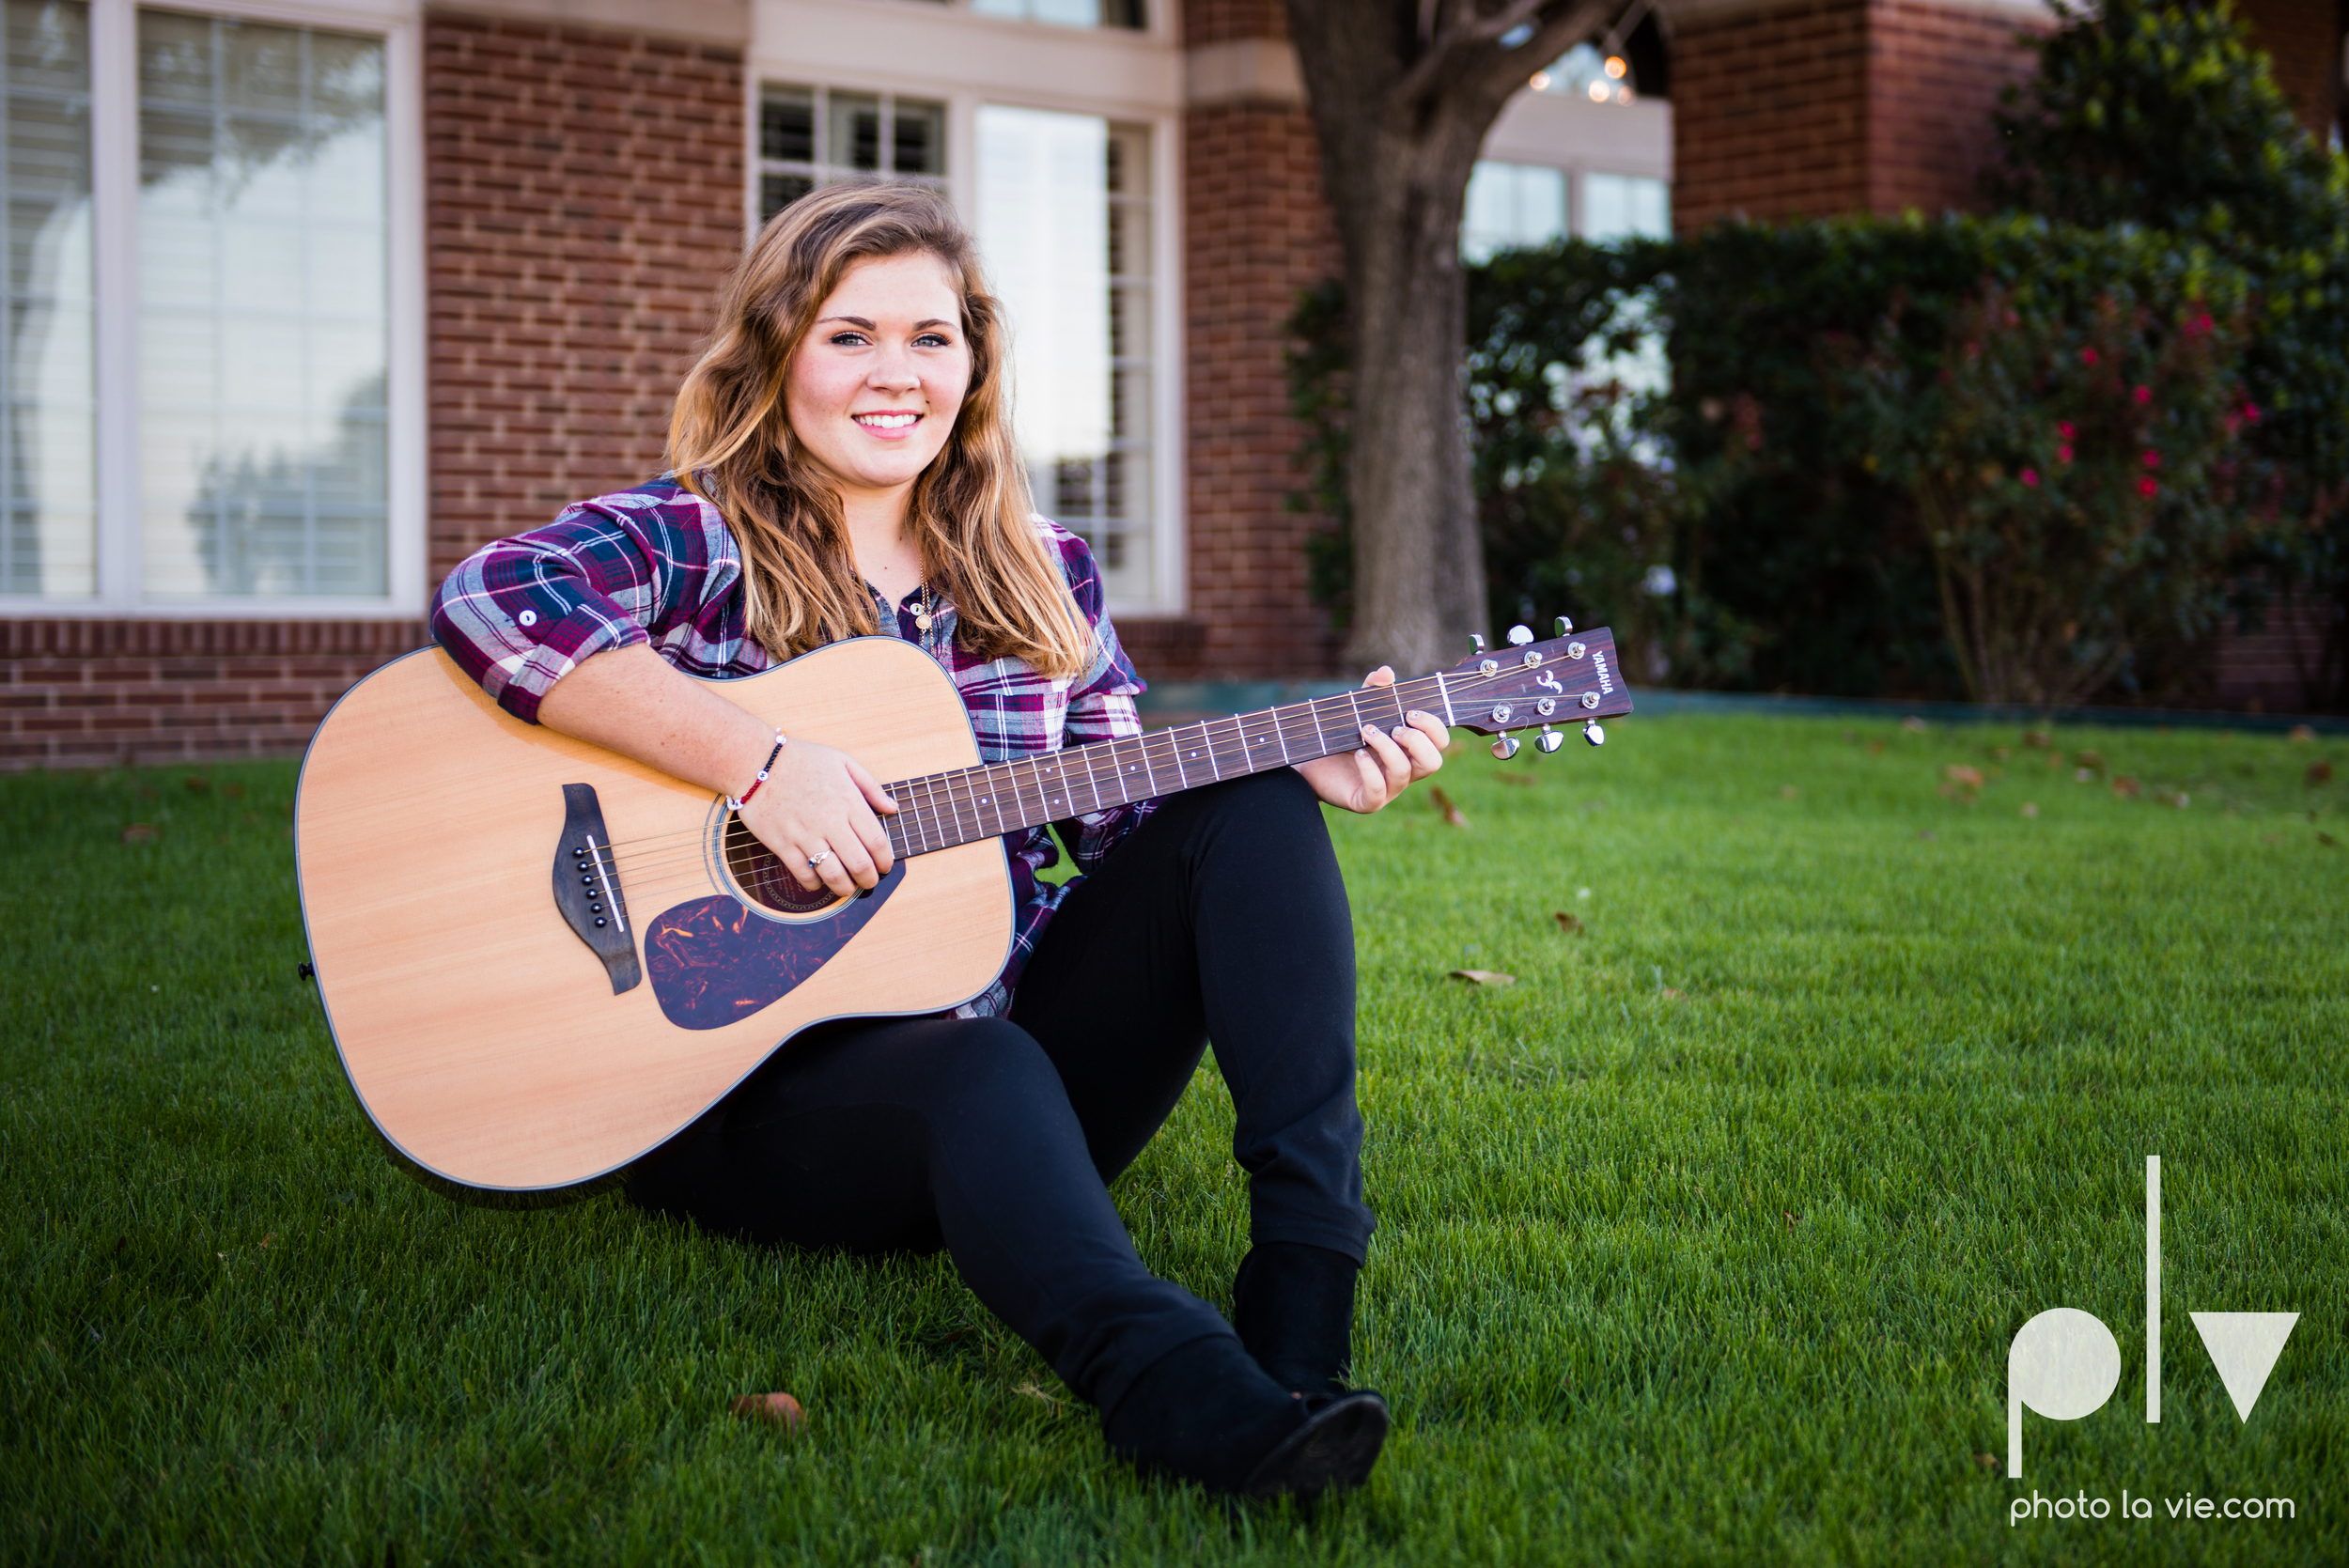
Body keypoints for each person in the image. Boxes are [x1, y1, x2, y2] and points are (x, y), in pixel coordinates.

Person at [428, 182, 1451, 1498]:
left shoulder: (1044, 570)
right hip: (733, 1095)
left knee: (1243, 804)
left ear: (974, 366)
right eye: (849, 335)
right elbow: (492, 598)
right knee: (983, 1071)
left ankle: (1303, 1309)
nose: (894, 373)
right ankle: (1178, 1395)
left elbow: (1128, 812)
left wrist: (1290, 757)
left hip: (1003, 1067)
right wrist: (757, 762)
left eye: (930, 337)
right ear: (776, 351)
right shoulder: (696, 536)